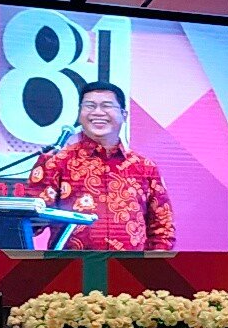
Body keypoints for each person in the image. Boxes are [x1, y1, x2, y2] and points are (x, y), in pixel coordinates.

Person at [27, 81, 175, 251]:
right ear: (80, 114)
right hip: (70, 265)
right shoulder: (57, 161)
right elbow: (32, 222)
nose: (97, 112)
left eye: (106, 106)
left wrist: (153, 263)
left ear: (124, 115)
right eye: (90, 106)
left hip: (131, 266)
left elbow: (162, 228)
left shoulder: (144, 167)